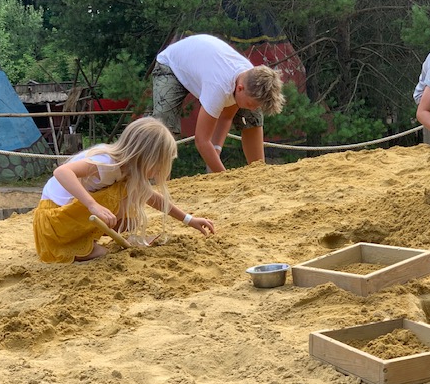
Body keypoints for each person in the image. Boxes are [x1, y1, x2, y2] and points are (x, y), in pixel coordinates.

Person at [33, 117, 215, 263]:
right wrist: (92, 205)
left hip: (66, 218)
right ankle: (77, 246)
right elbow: (61, 171)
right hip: (53, 222)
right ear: (146, 157)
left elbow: (152, 197)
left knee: (132, 219)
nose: (158, 172)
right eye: (159, 166)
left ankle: (87, 240)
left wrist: (189, 220)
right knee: (123, 197)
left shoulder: (126, 169)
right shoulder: (107, 162)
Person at [151, 33, 285, 173]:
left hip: (204, 60)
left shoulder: (249, 76)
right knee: (164, 125)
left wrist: (215, 151)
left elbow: (226, 116)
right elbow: (201, 140)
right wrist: (223, 177)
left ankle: (259, 172)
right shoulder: (218, 87)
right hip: (171, 64)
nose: (254, 107)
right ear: (240, 88)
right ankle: (159, 181)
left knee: (252, 116)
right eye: (252, 103)